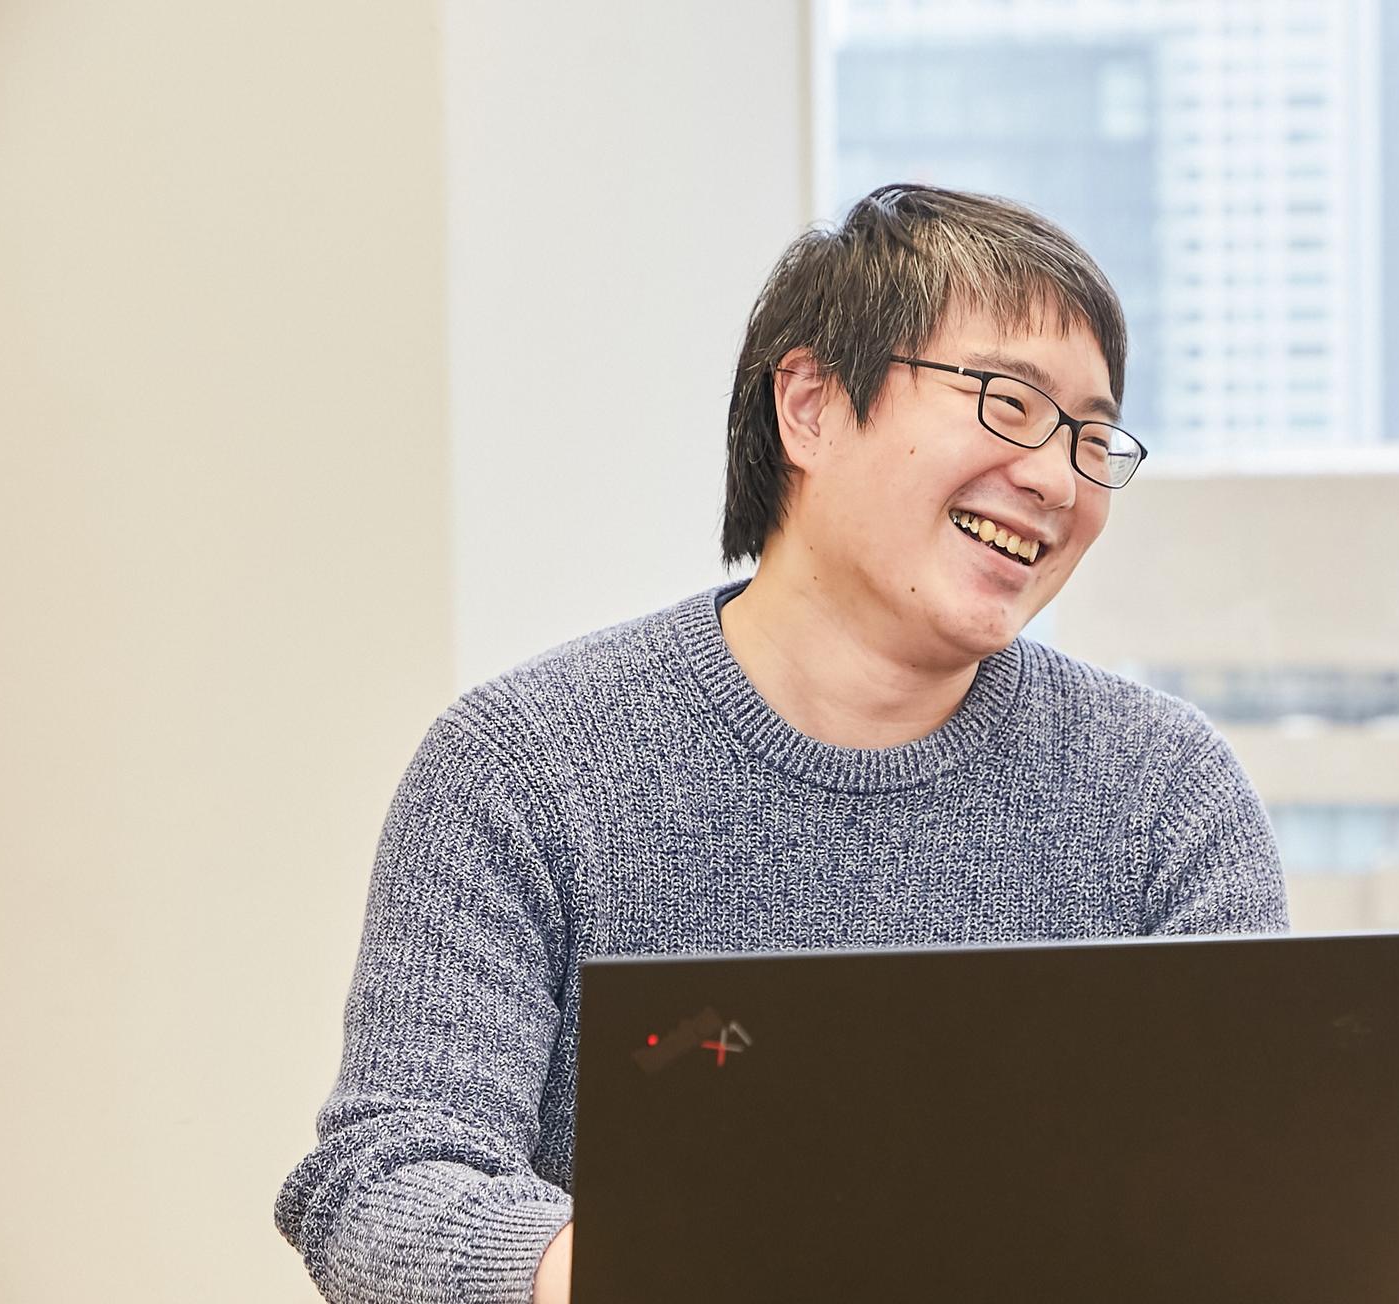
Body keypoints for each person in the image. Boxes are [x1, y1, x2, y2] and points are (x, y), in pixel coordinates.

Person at [274, 183, 1290, 1304]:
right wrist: (661, 1265)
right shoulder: (522, 766)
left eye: (1091, 438)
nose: (1056, 477)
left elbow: (1258, 1190)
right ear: (809, 406)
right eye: (1008, 402)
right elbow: (382, 1185)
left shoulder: (1164, 791)